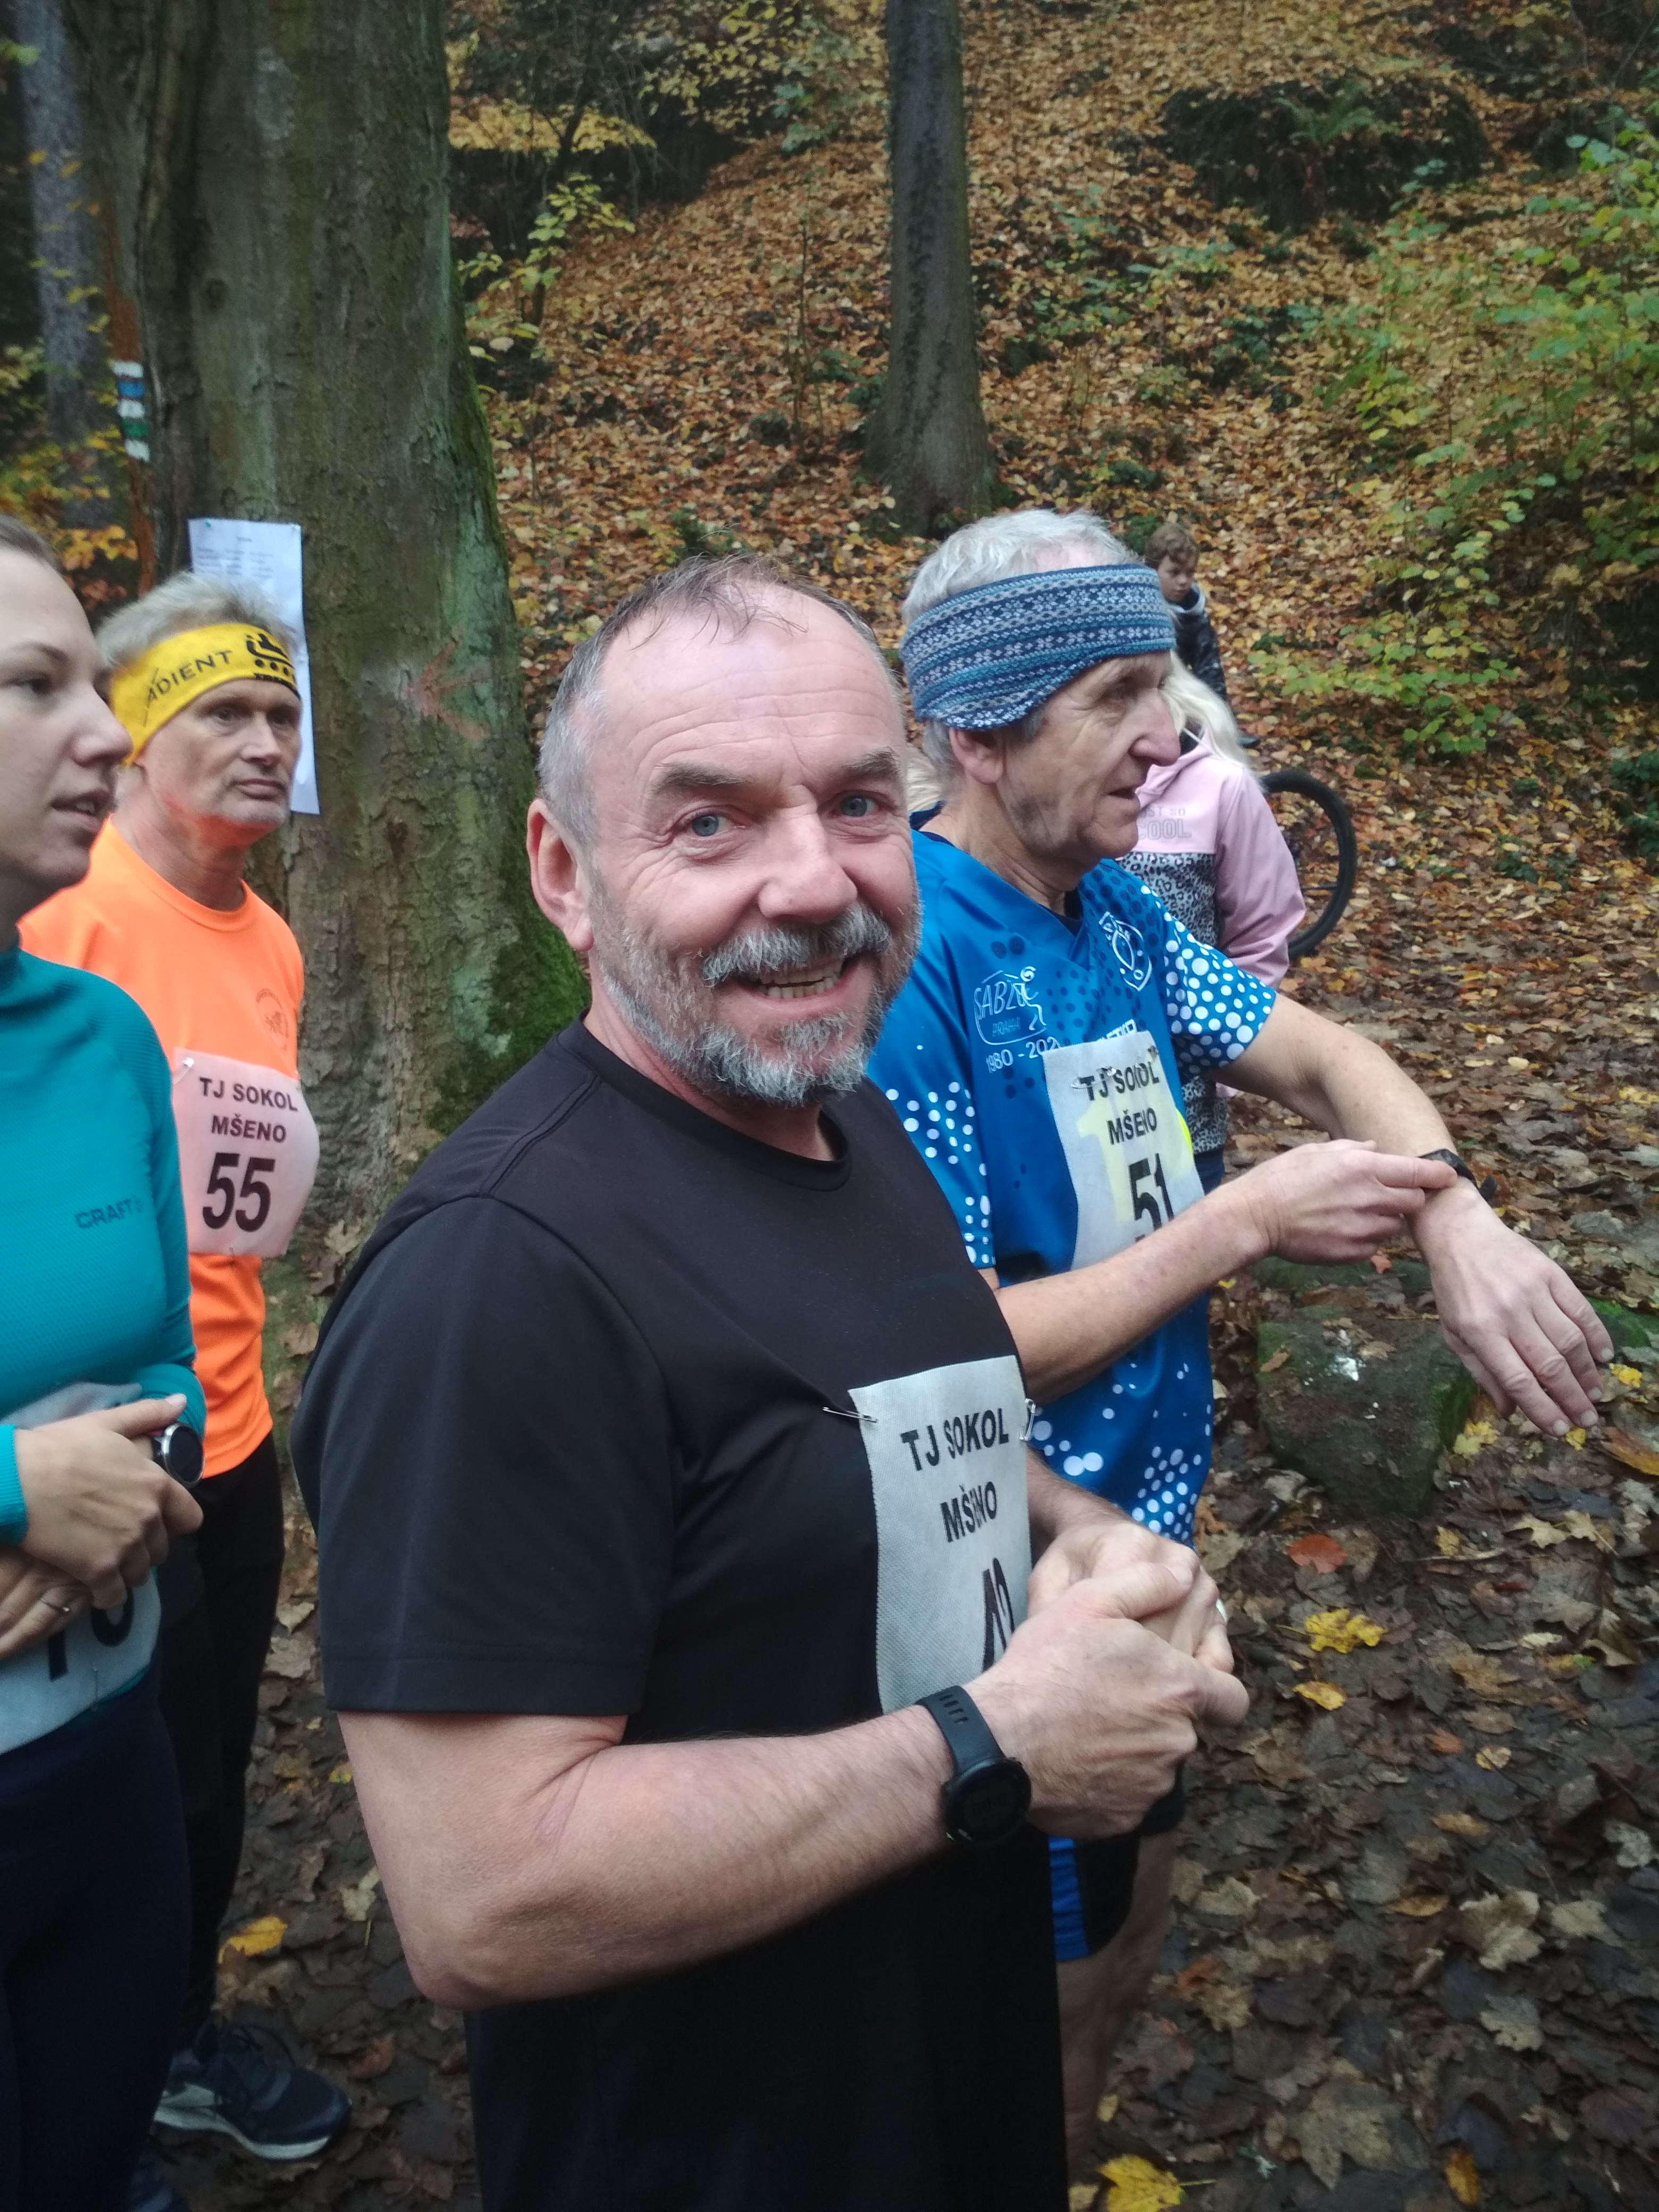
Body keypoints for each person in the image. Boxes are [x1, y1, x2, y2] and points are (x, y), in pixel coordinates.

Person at [292, 555, 1250, 2212]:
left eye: (859, 803)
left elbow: (874, 1420)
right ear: (564, 875)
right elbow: (482, 1897)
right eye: (709, 822)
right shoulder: (496, 1282)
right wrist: (992, 1743)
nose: (811, 883)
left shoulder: (844, 1117)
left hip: (948, 2069)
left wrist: (1080, 1536)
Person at [870, 505, 1612, 2155]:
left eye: (1167, 683)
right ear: (980, 734)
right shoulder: (912, 963)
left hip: (1148, 1541)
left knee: (1127, 1922)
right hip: (1000, 1583)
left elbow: (1327, 1055)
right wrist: (1239, 1223)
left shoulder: (1115, 913)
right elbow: (949, 1358)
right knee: (1035, 1996)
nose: (1172, 736)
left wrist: (1452, 1210)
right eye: (1118, 696)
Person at [22, 572, 346, 2201]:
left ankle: (164, 2048)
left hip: (219, 1424)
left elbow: (207, 1230)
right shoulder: (65, 918)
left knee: (197, 1774)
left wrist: (192, 1414)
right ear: (142, 739)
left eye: (283, 712)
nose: (266, 742)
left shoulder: (265, 939)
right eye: (225, 710)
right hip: (76, 1464)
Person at [0, 514, 206, 2210]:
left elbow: (171, 1363)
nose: (109, 734)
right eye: (37, 686)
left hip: (104, 1773)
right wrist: (15, 1486)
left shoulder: (101, 1037)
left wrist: (128, 1487)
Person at [1122, 664, 1303, 1191]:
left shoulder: (1223, 787)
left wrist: (1226, 1063)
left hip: (1187, 1113)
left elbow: (1265, 927)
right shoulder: (1059, 799)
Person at [1146, 518, 1229, 702]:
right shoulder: (1136, 612)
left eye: (1190, 573)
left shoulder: (1194, 613)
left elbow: (1210, 671)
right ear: (1152, 570)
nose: (1183, 581)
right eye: (1174, 573)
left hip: (1179, 698)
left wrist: (1218, 711)